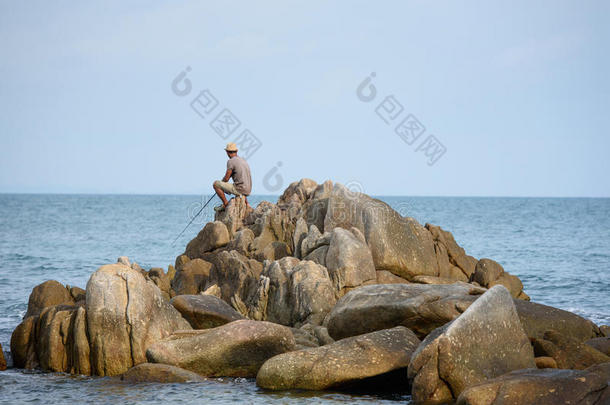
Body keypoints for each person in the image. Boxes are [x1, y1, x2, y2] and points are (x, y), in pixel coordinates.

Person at [213, 142, 252, 211]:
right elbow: (242, 180)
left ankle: (225, 204)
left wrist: (221, 183)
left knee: (216, 184)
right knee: (238, 184)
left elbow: (226, 179)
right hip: (248, 190)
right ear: (236, 151)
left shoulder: (231, 161)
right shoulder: (243, 161)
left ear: (227, 152)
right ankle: (247, 204)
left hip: (240, 189)